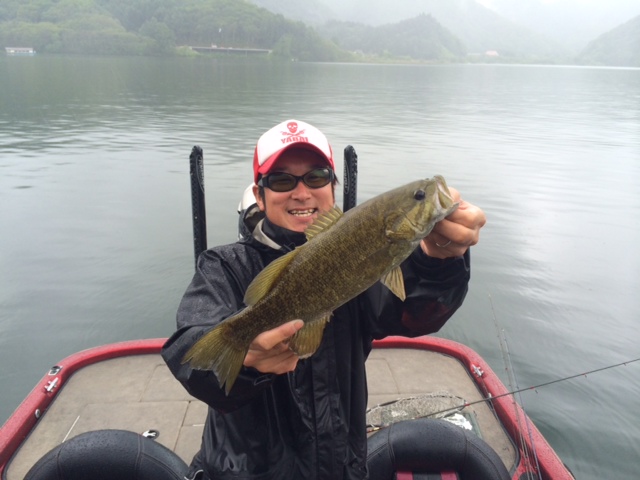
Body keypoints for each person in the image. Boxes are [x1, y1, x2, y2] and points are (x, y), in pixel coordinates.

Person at [162, 119, 487, 480]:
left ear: (333, 187)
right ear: (259, 195)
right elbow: (190, 350)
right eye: (282, 180)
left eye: (316, 177)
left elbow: (415, 314)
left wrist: (438, 261)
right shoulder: (223, 266)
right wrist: (247, 362)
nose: (302, 193)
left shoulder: (370, 249)